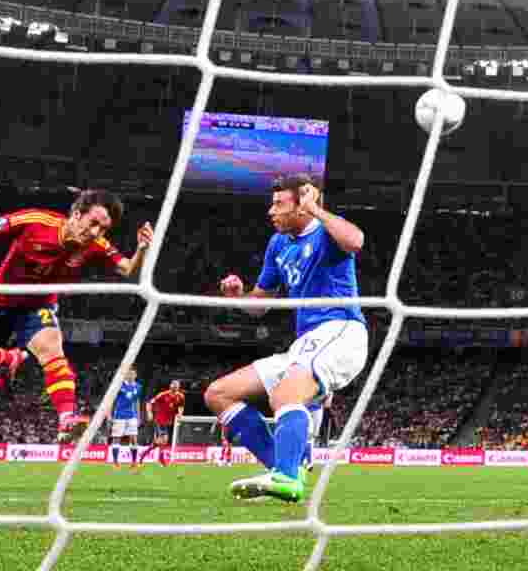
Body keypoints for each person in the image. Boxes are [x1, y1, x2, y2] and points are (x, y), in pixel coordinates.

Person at [0, 190, 153, 442]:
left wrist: (142, 249)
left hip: (38, 304)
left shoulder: (96, 246)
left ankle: (67, 419)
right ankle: (7, 358)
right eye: (94, 223)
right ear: (77, 215)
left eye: (104, 228)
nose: (97, 232)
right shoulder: (36, 221)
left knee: (52, 351)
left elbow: (129, 270)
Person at [205, 174, 368, 502]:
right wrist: (239, 297)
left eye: (279, 204)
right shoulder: (278, 245)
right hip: (307, 341)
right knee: (218, 394)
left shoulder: (325, 232)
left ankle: (287, 474)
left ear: (303, 204)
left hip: (341, 331)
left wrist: (317, 210)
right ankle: (287, 466)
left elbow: (356, 241)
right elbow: (259, 307)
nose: (271, 211)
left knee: (285, 395)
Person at [139, 380, 185, 466]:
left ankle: (143, 454)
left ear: (179, 387)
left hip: (168, 422)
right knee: (163, 439)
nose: (175, 386)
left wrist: (180, 414)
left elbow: (181, 406)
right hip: (159, 420)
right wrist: (149, 413)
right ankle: (161, 459)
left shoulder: (180, 396)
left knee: (161, 442)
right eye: (173, 384)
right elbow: (149, 403)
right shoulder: (162, 395)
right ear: (170, 385)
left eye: (177, 385)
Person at [105, 367, 142, 470]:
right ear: (125, 375)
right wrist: (109, 415)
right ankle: (116, 462)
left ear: (135, 375)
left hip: (132, 416)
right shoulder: (119, 385)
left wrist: (138, 417)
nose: (130, 375)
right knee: (116, 438)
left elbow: (137, 402)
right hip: (119, 416)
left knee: (134, 439)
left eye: (132, 374)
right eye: (129, 374)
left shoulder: (138, 387)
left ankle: (134, 462)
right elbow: (111, 399)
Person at [303, 392, 331, 472]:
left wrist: (326, 397)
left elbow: (327, 404)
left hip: (317, 409)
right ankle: (309, 462)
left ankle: (308, 461)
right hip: (306, 410)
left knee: (312, 436)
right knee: (308, 436)